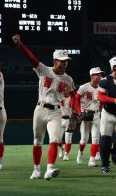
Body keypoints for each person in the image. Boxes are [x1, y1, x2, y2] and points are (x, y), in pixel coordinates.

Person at [12, 34, 76, 180]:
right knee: (37, 141)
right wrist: (20, 45)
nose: (65, 64)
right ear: (55, 61)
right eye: (62, 61)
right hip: (40, 109)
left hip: (56, 111)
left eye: (67, 61)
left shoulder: (68, 79)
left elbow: (73, 94)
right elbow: (31, 58)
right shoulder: (44, 70)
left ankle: (50, 169)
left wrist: (75, 110)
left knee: (54, 140)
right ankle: (36, 170)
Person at [74, 67, 104, 167]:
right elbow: (76, 98)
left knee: (96, 139)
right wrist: (78, 112)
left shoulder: (101, 87)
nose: (100, 76)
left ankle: (91, 160)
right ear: (92, 76)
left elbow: (103, 101)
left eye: (100, 74)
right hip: (85, 115)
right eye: (97, 74)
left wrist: (102, 111)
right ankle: (80, 153)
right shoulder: (84, 87)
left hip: (96, 115)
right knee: (84, 140)